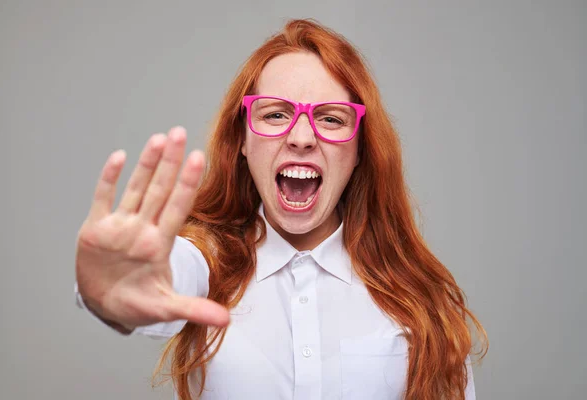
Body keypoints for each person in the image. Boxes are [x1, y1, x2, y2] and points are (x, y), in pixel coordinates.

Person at [75, 19, 488, 400]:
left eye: (330, 119)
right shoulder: (206, 262)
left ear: (360, 148)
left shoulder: (419, 299)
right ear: (241, 139)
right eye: (275, 114)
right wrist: (113, 292)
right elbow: (165, 278)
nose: (302, 137)